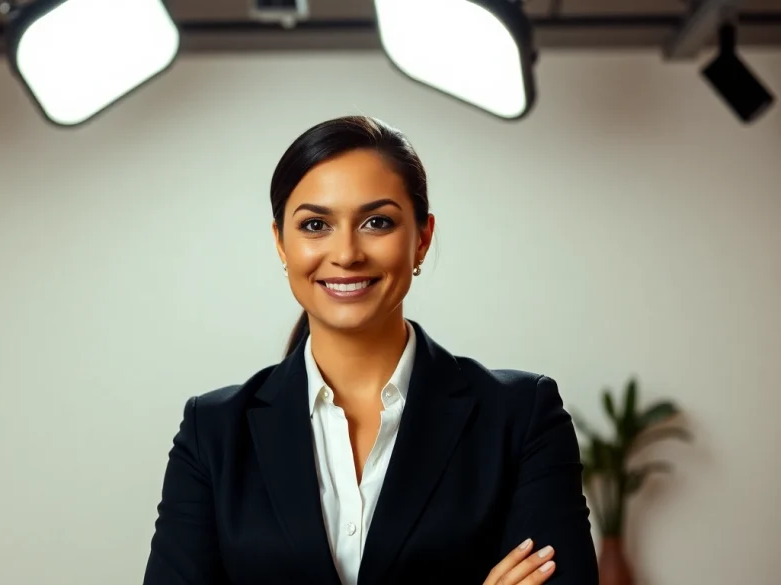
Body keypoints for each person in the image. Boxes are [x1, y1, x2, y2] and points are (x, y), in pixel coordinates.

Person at [142, 116, 598, 585]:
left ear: (422, 239)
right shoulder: (213, 434)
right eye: (316, 224)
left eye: (377, 222)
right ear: (281, 243)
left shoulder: (520, 418)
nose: (346, 253)